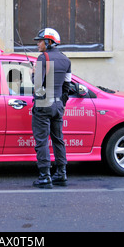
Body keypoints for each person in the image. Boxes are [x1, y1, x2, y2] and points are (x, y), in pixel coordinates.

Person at [31, 28, 72, 188]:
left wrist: (32, 74)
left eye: (40, 41)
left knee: (41, 141)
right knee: (58, 140)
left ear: (49, 42)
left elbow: (37, 85)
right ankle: (61, 174)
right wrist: (61, 103)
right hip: (58, 105)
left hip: (43, 104)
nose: (38, 44)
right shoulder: (65, 60)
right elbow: (67, 86)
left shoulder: (43, 58)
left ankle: (45, 177)